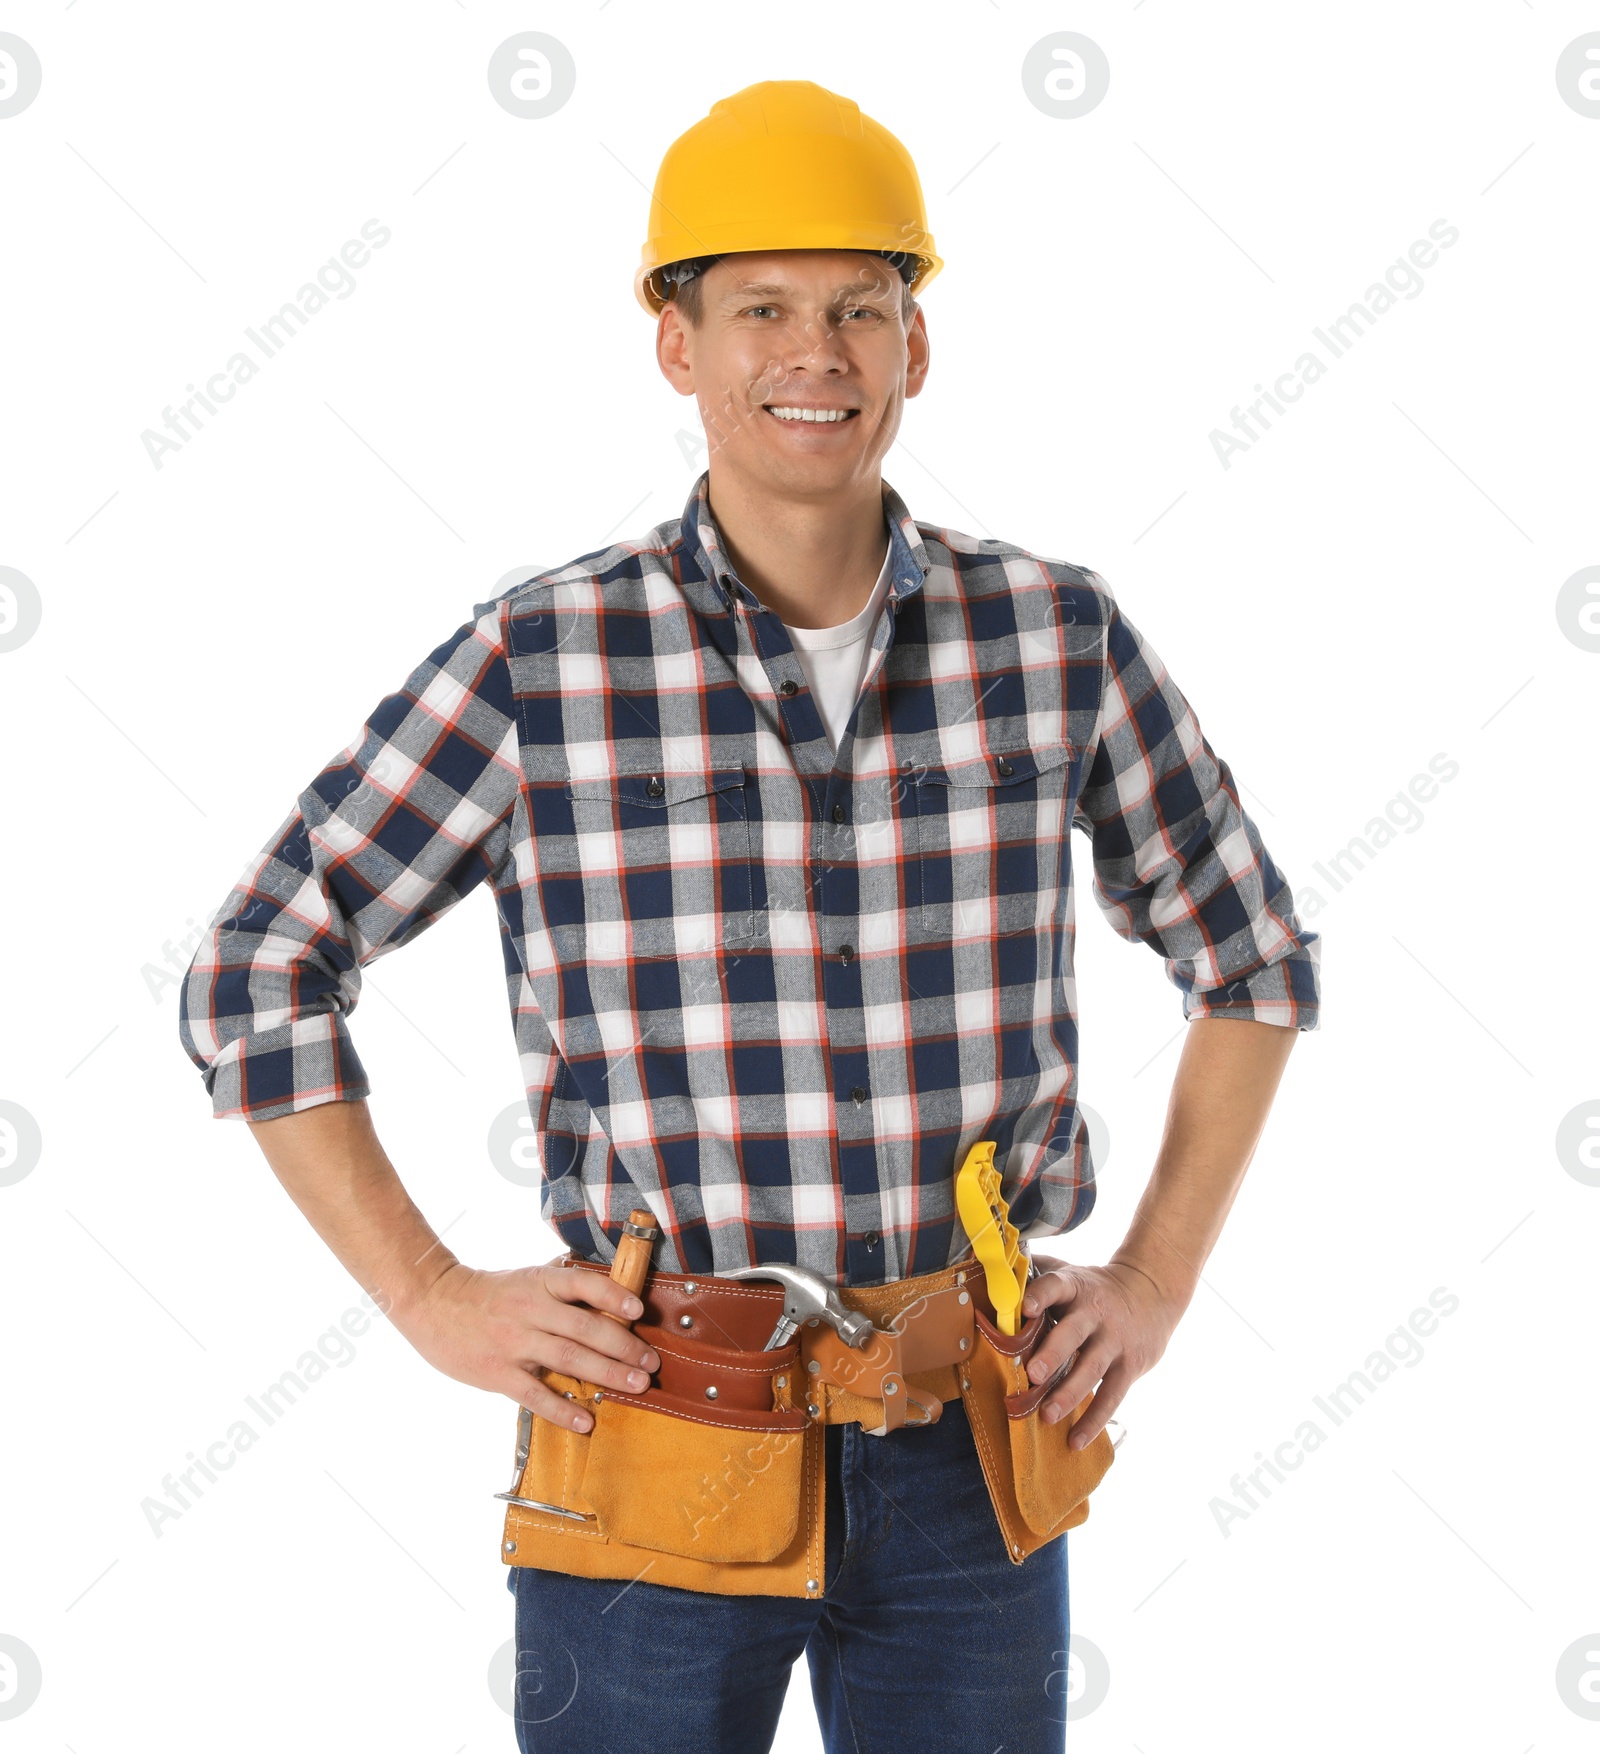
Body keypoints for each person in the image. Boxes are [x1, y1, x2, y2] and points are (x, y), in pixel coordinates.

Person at [179, 78, 1319, 1753]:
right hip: (648, 1435)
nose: (818, 353)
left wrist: (1151, 1279)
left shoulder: (1054, 638)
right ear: (678, 346)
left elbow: (1253, 959)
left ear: (917, 346)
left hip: (971, 1449)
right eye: (764, 308)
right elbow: (259, 965)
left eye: (863, 307)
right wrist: (431, 1295)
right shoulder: (543, 660)